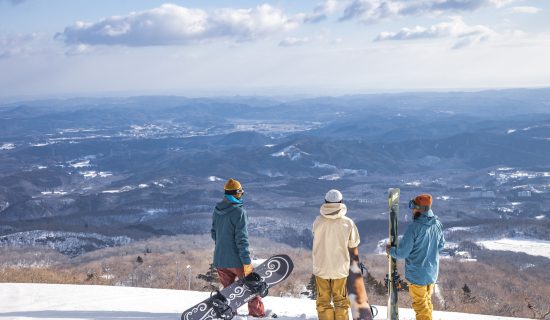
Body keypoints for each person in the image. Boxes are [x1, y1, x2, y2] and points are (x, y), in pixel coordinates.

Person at [386, 194, 445, 320]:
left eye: (413, 206)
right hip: (431, 273)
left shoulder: (414, 228)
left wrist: (390, 250)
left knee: (420, 306)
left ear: (419, 209)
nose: (412, 209)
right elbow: (440, 246)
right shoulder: (437, 224)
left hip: (417, 274)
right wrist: (427, 251)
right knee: (426, 302)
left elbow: (402, 253)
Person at [211, 178, 265, 317]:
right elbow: (242, 240)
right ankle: (257, 315)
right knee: (251, 289)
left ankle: (230, 313)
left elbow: (214, 234)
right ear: (236, 194)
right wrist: (246, 262)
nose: (241, 196)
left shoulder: (217, 210)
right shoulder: (239, 212)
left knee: (229, 291)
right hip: (237, 261)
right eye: (241, 193)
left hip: (220, 259)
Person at [313, 189, 361, 320]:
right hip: (340, 268)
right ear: (341, 202)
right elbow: (354, 244)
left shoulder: (318, 221)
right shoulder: (348, 223)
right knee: (341, 302)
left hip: (321, 266)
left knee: (323, 302)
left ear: (325, 202)